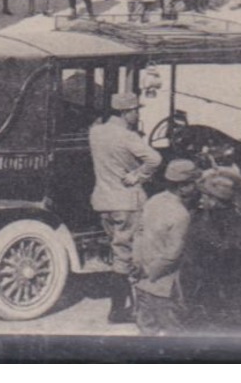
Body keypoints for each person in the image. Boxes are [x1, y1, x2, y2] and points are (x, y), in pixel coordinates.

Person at [88, 92, 161, 323]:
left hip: (103, 202)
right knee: (128, 256)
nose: (137, 113)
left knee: (118, 252)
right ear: (126, 112)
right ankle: (120, 311)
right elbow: (155, 159)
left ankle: (124, 307)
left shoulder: (96, 132)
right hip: (127, 203)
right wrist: (138, 175)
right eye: (135, 110)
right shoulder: (127, 137)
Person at [178, 168, 241, 333]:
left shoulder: (198, 226)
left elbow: (189, 269)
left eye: (205, 196)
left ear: (215, 200)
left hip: (207, 310)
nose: (201, 200)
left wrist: (191, 300)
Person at [131, 159, 199, 336]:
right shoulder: (181, 214)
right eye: (193, 183)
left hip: (141, 284)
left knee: (146, 336)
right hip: (164, 287)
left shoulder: (153, 201)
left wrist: (140, 268)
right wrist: (151, 273)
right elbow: (172, 255)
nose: (196, 188)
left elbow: (138, 235)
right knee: (174, 337)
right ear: (183, 187)